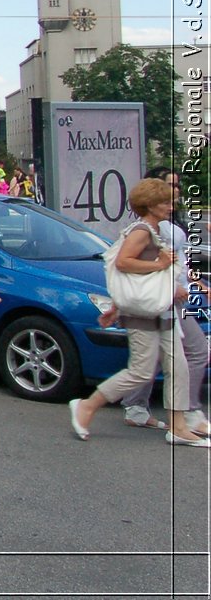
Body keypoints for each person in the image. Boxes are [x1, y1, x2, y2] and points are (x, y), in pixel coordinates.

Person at [70, 178, 209, 446]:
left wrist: (117, 306)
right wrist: (159, 264)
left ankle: (178, 428)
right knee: (141, 371)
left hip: (161, 310)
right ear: (149, 205)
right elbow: (123, 263)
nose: (172, 206)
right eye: (165, 202)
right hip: (145, 314)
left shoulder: (153, 229)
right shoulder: (142, 230)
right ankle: (86, 406)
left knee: (177, 367)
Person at [119, 168, 208, 433]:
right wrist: (171, 287)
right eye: (169, 187)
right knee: (196, 350)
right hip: (162, 300)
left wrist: (195, 283)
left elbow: (177, 259)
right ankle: (188, 413)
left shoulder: (167, 223)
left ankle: (135, 407)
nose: (175, 193)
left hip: (174, 299)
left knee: (155, 357)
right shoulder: (147, 228)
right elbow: (133, 263)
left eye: (177, 187)